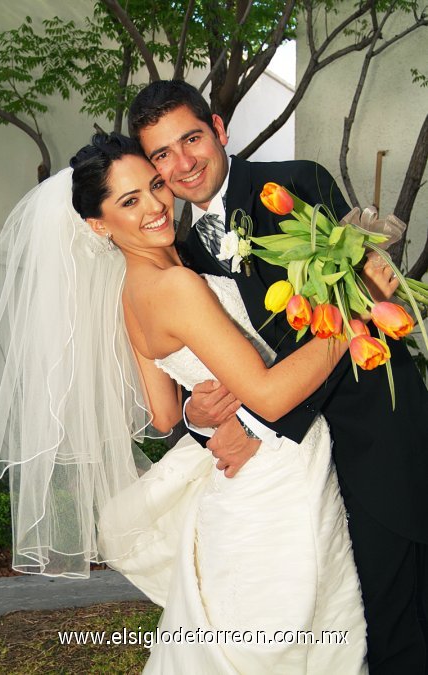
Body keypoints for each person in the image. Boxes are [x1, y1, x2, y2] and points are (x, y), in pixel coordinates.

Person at [0, 132, 399, 672]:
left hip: (239, 483)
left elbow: (163, 413)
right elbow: (270, 396)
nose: (155, 205)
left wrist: (199, 416)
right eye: (129, 201)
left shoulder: (130, 295)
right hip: (278, 480)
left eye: (154, 185)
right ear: (98, 225)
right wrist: (358, 311)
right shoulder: (174, 285)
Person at [128, 80, 428, 674]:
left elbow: (347, 323)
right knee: (333, 628)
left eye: (191, 139)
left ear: (218, 129)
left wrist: (256, 422)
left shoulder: (296, 183)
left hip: (370, 438)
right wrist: (201, 419)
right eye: (162, 154)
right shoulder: (178, 256)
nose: (182, 163)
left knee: (397, 620)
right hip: (290, 479)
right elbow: (202, 376)